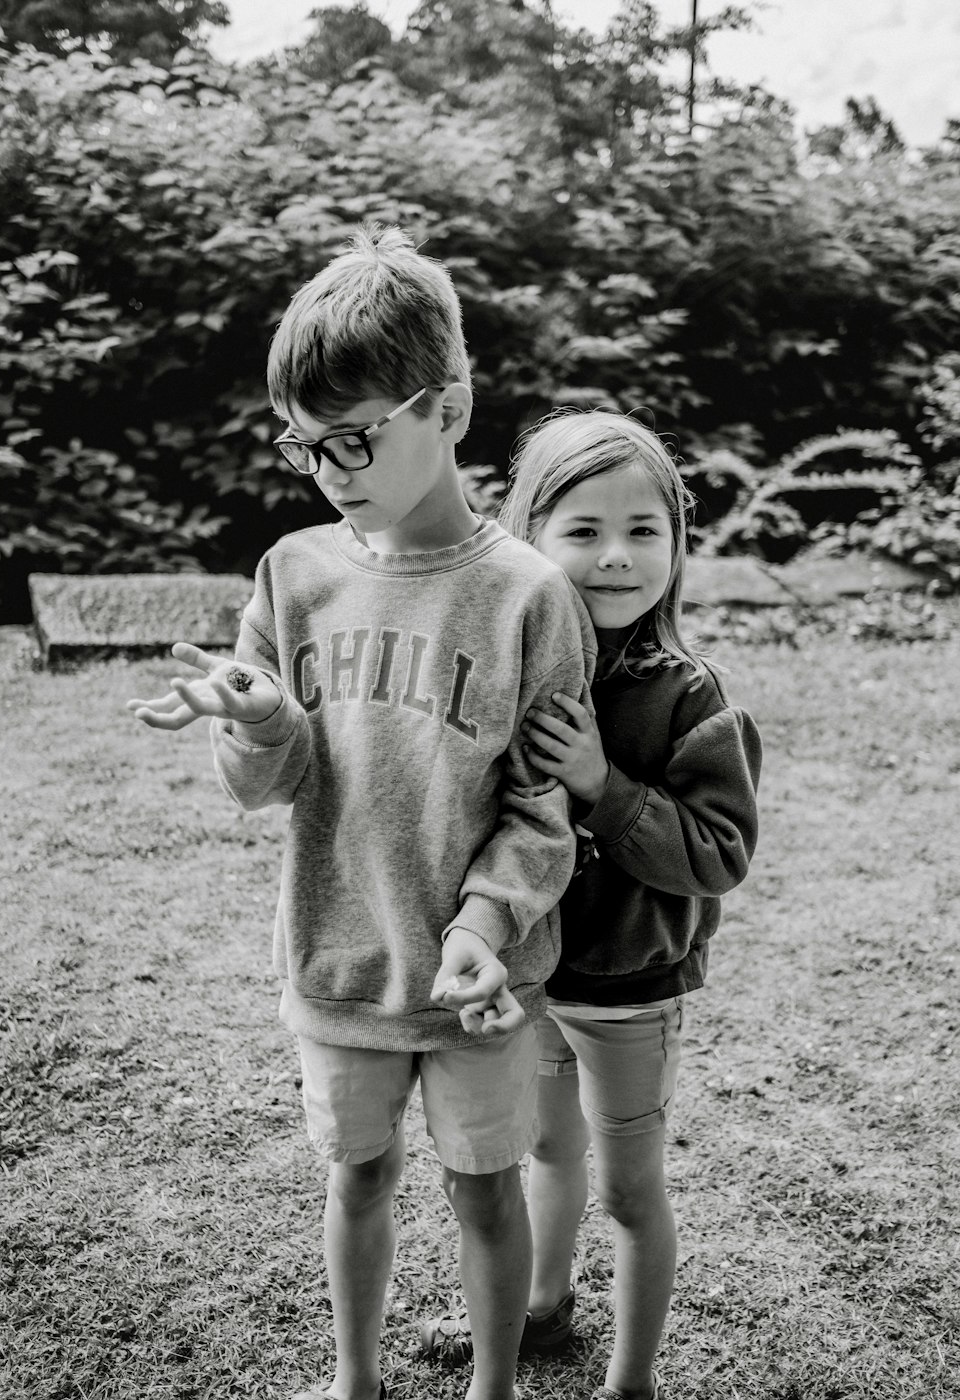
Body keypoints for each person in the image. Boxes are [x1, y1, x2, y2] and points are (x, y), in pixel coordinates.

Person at [127, 225, 595, 1400]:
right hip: (337, 962)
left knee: (484, 1187)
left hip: (477, 984)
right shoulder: (291, 574)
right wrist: (262, 723)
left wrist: (485, 928)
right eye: (305, 445)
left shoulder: (529, 596)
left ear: (449, 407)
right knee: (357, 1175)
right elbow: (260, 788)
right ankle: (355, 1381)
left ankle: (494, 1387)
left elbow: (544, 807)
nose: (330, 467)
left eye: (355, 436)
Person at [422, 410, 761, 1400]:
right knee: (546, 1154)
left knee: (627, 1187)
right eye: (581, 531)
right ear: (528, 536)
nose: (616, 555)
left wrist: (601, 782)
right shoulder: (515, 672)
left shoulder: (690, 697)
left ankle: (630, 1379)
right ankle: (543, 1305)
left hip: (631, 988)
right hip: (534, 975)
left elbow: (717, 851)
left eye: (642, 529)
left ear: (676, 543)